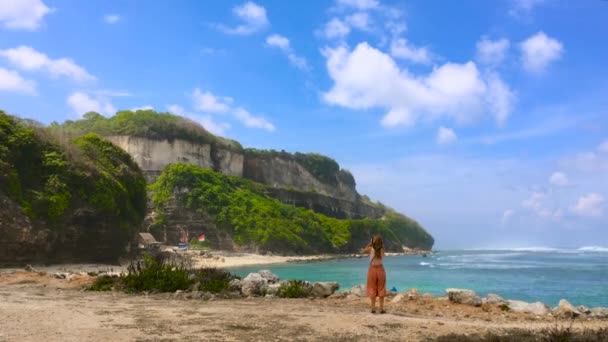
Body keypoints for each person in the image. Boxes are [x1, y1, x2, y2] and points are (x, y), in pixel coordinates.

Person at [362, 235, 386, 314]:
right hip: (380, 269)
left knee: (372, 288)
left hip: (372, 269)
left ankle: (373, 308)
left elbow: (363, 251)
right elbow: (379, 249)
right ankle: (381, 308)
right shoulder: (382, 250)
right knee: (381, 288)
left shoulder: (370, 249)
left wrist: (370, 243)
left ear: (373, 242)